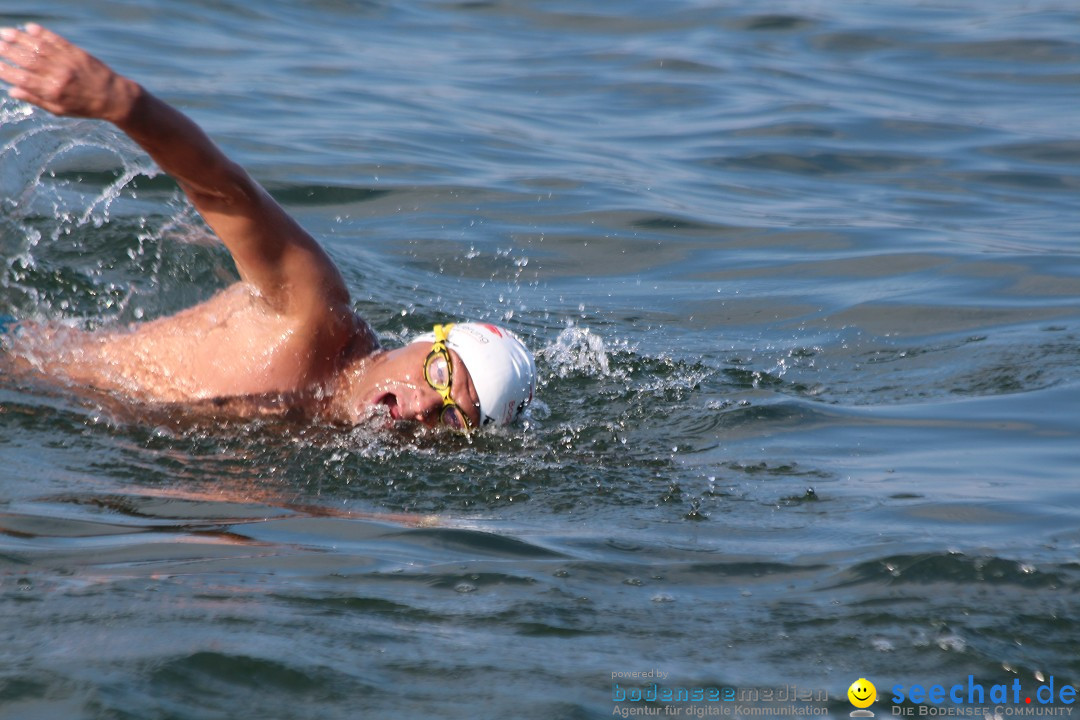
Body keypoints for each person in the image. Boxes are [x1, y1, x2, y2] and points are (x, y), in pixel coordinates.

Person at [0, 24, 535, 432]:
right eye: (440, 375)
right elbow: (225, 190)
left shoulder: (331, 439)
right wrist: (119, 99)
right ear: (426, 341)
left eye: (452, 420)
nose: (421, 407)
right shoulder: (311, 314)